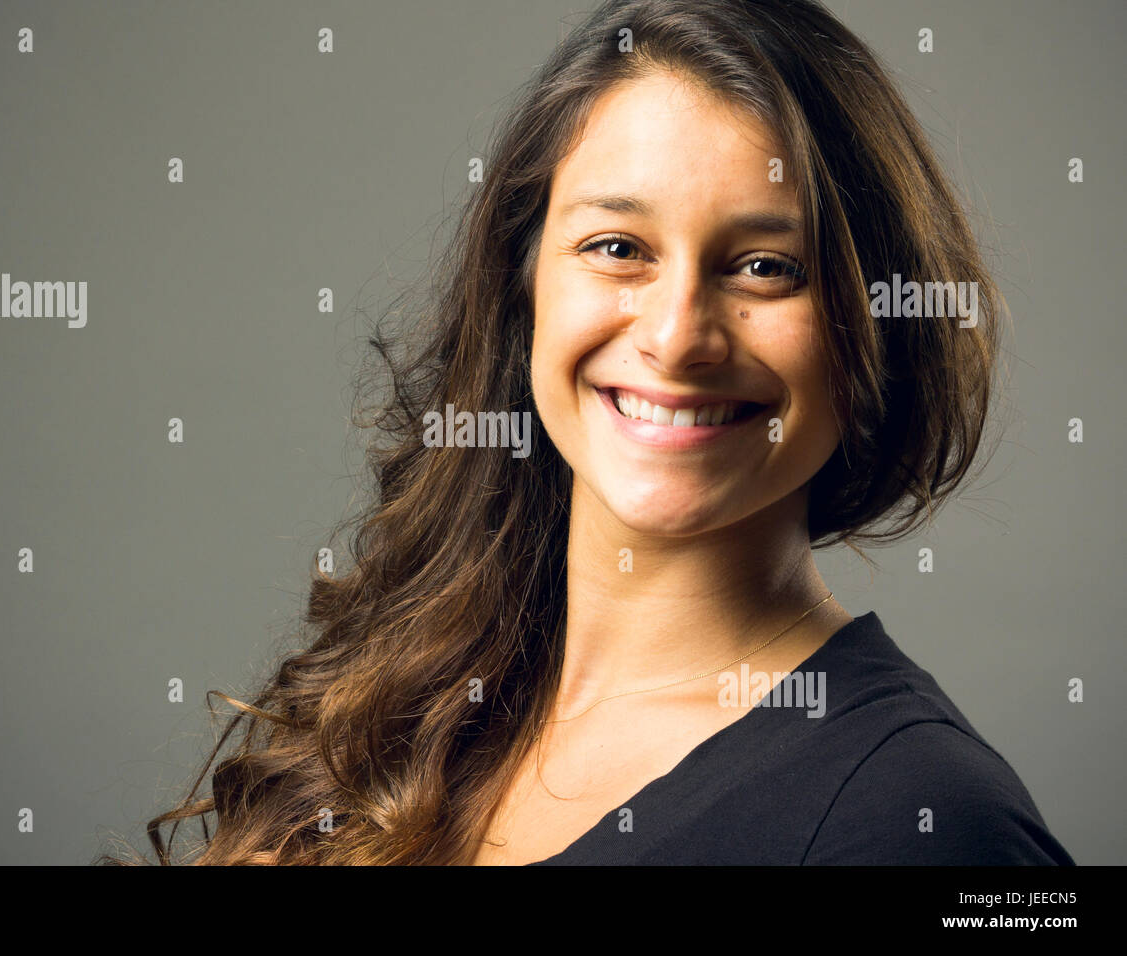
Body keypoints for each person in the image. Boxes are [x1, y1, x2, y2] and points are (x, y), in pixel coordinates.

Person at [118, 0, 1075, 865]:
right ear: (523, 283)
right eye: (618, 249)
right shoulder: (406, 696)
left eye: (766, 267)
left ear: (875, 322)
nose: (675, 336)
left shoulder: (929, 822)